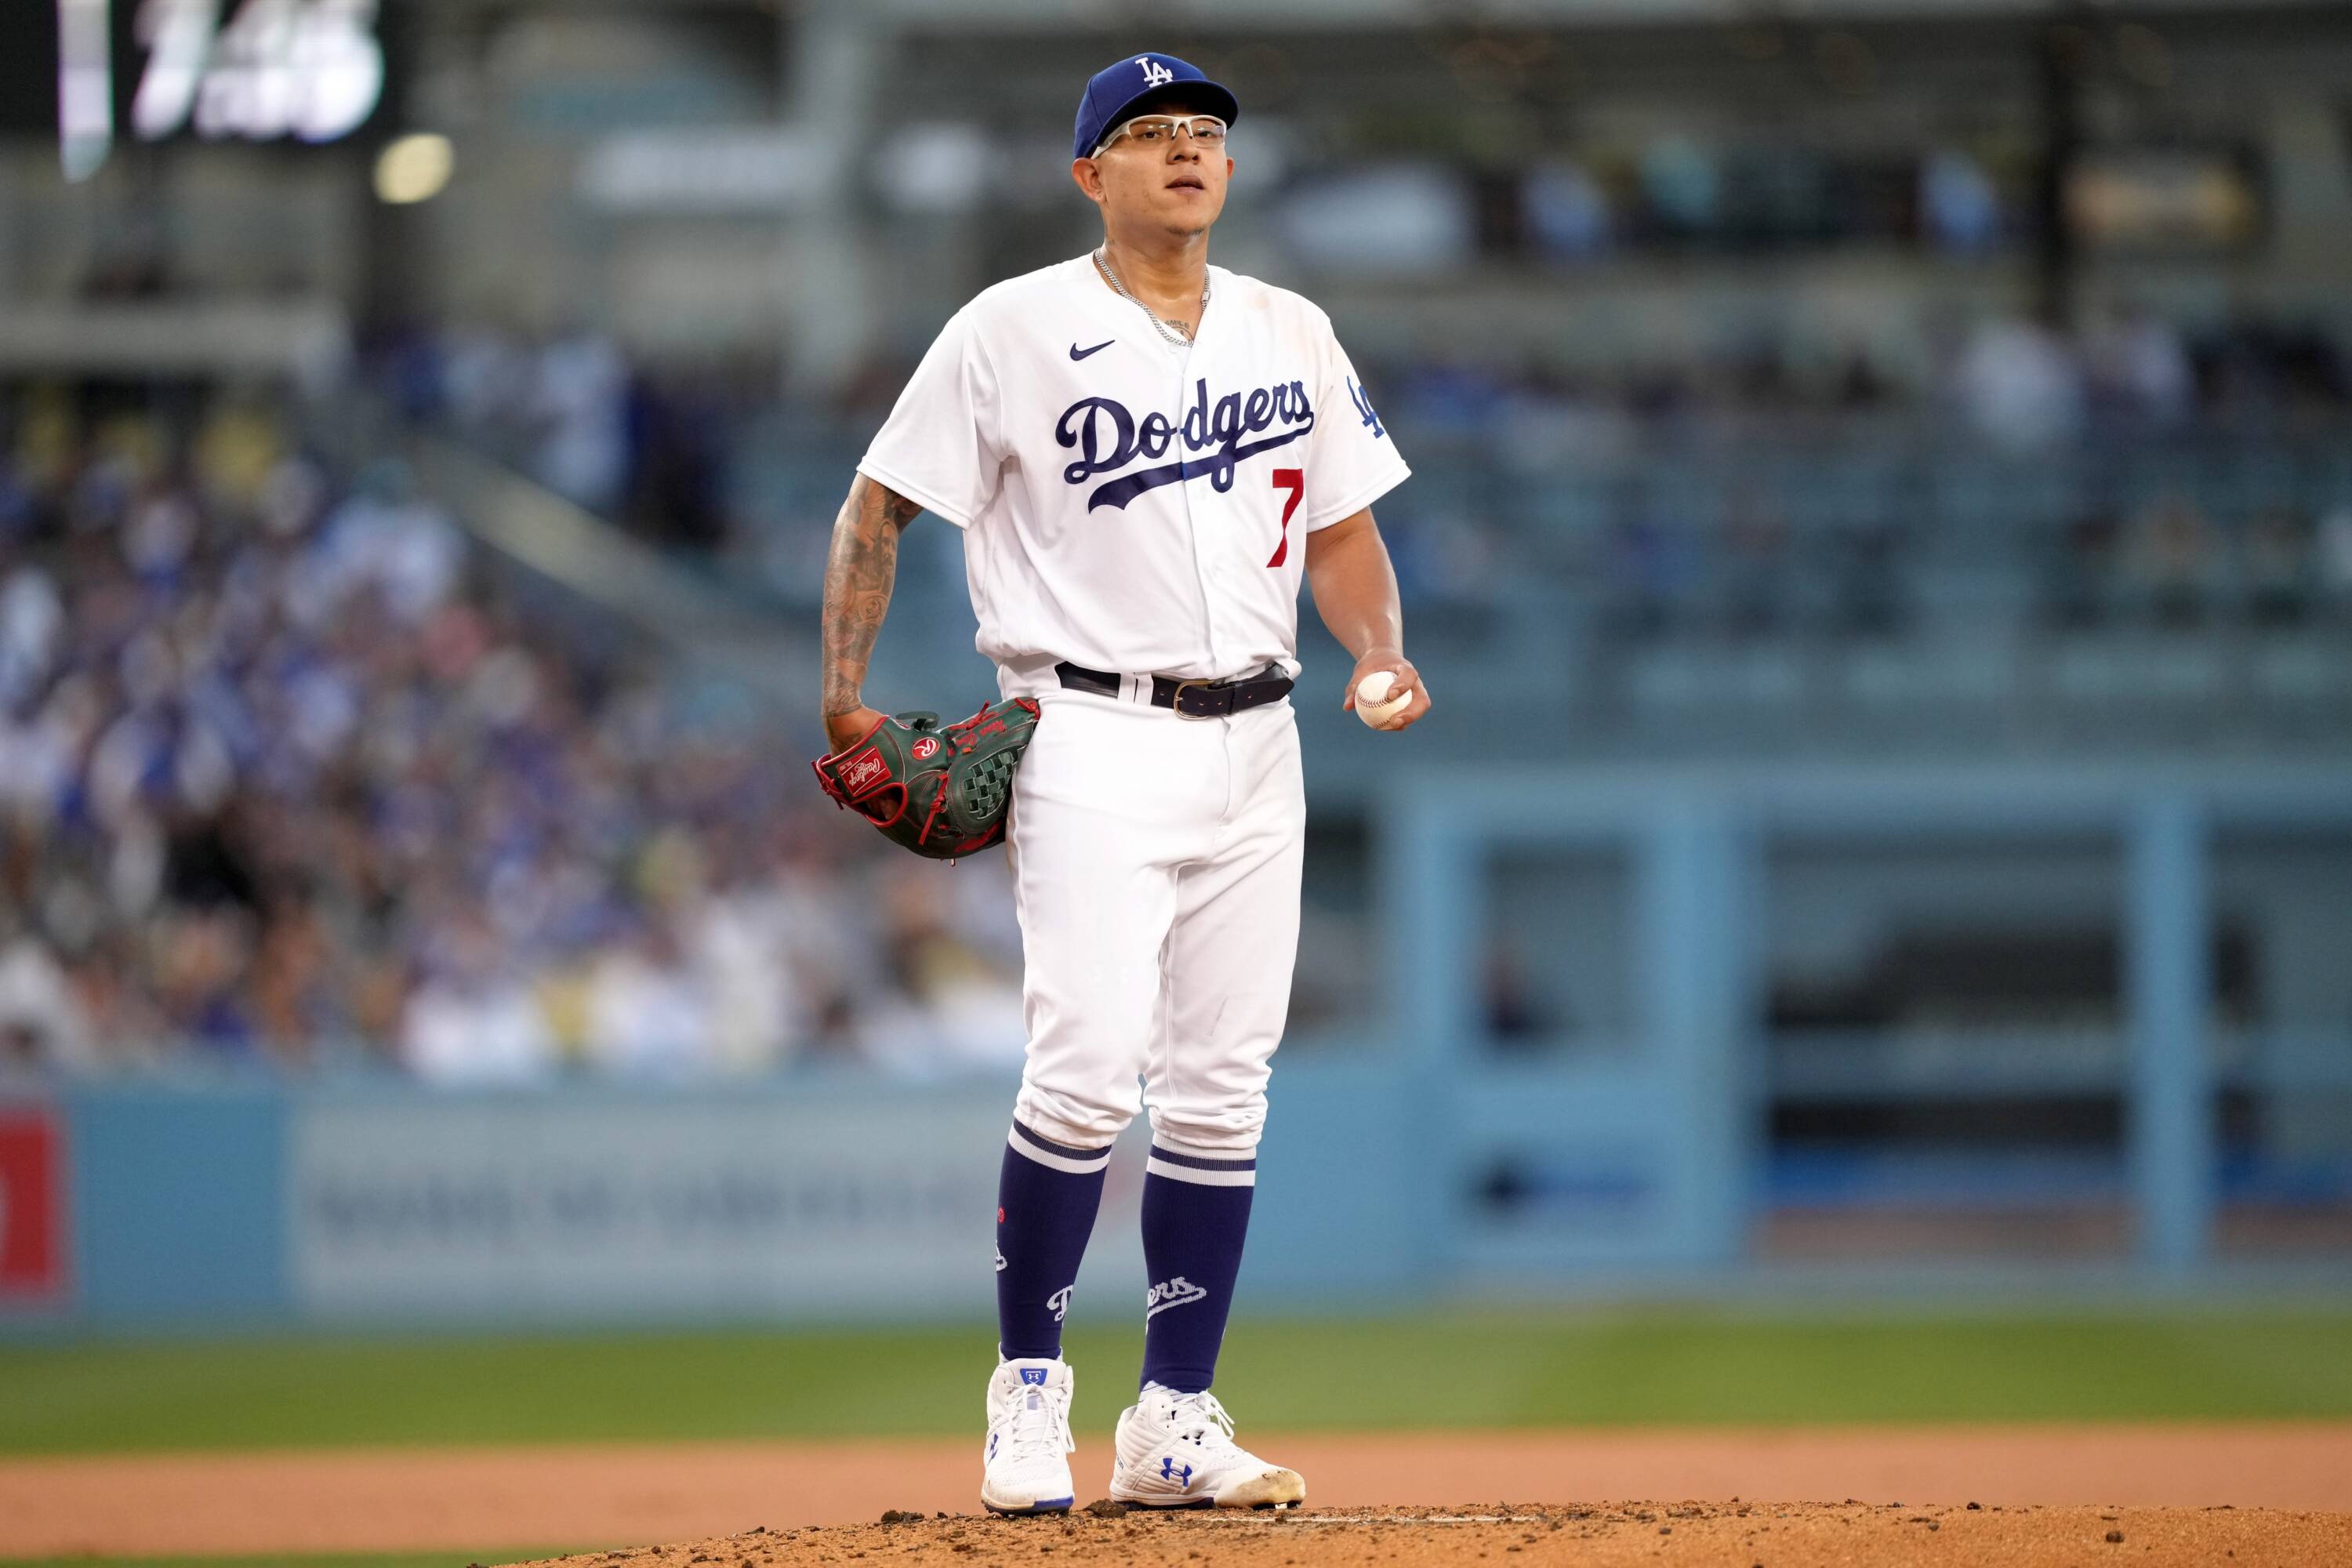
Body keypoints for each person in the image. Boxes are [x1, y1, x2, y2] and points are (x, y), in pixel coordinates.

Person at [815, 52, 1428, 1515]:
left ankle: (1175, 1420)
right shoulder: (1011, 328)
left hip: (1262, 733)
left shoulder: (1291, 329)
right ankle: (1028, 1401)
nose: (1185, 152)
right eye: (1148, 135)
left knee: (1222, 1093)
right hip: (1083, 724)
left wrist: (1378, 650)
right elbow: (877, 504)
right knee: (1087, 1068)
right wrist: (842, 693)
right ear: (1090, 174)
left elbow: (1339, 529)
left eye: (1204, 133)